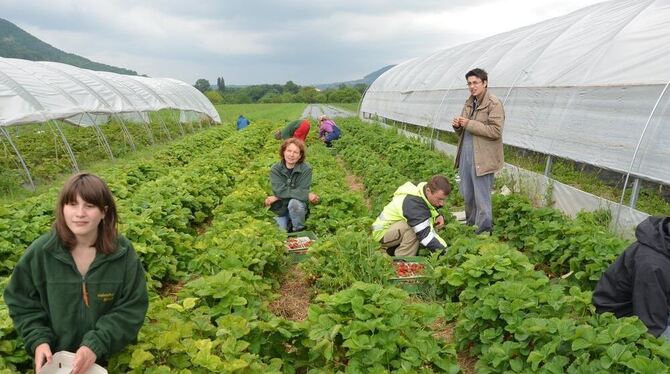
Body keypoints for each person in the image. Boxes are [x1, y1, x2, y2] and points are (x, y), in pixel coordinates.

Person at [3, 173, 149, 374]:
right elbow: (21, 301)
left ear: (104, 212)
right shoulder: (41, 252)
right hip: (55, 362)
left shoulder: (122, 254)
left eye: (89, 206)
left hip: (112, 357)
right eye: (72, 204)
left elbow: (132, 306)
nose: (79, 213)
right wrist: (38, 340)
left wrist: (96, 344)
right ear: (62, 208)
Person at [593, 217, 670, 340]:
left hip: (648, 304)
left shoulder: (664, 240)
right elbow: (650, 327)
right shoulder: (654, 266)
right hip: (619, 316)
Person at [452, 68, 505, 235]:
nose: (472, 86)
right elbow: (464, 131)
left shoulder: (493, 103)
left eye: (475, 82)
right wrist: (458, 126)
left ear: (485, 83)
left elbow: (495, 131)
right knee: (468, 195)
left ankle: (483, 231)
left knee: (482, 198)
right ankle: (471, 225)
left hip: (483, 158)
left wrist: (468, 123)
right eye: (469, 83)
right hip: (466, 155)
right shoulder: (469, 102)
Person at [371, 175, 451, 256]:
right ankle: (402, 260)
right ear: (428, 190)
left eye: (443, 199)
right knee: (415, 229)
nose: (442, 203)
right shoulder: (413, 204)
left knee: (419, 225)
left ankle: (393, 250)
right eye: (439, 199)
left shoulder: (421, 189)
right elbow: (425, 236)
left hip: (392, 228)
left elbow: (427, 206)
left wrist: (437, 215)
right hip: (381, 233)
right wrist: (446, 253)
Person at [265, 138, 320, 232]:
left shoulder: (306, 169)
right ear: (283, 152)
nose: (291, 155)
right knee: (280, 232)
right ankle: (288, 223)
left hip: (297, 207)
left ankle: (298, 229)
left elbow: (301, 191)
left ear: (300, 156)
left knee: (294, 203)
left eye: (295, 152)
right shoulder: (275, 169)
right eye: (289, 151)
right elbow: (280, 191)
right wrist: (306, 195)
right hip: (280, 209)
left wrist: (277, 197)